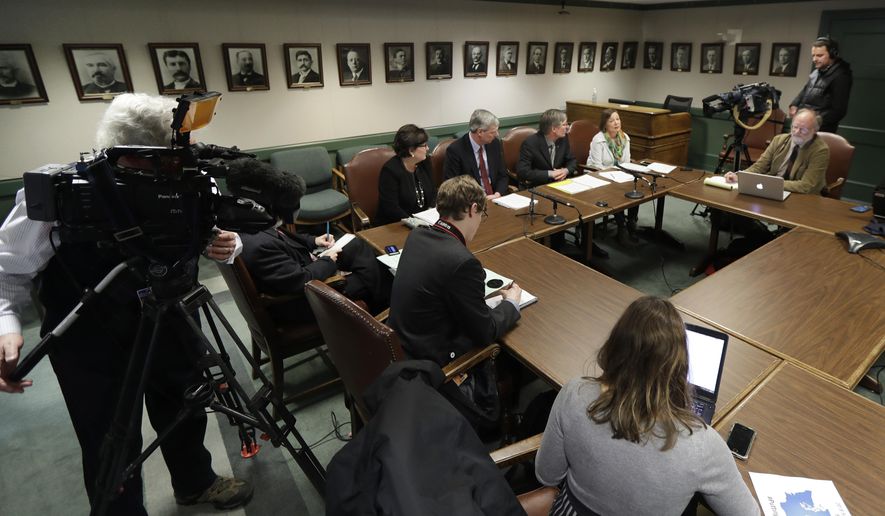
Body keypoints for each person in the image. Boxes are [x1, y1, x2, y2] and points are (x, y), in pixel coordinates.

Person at [0, 93, 252, 514]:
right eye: (171, 153)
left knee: (186, 405)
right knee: (109, 439)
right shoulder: (62, 194)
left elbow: (220, 232)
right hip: (91, 340)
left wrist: (229, 244)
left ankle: (195, 482)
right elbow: (6, 270)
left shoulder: (188, 180)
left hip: (172, 319)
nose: (183, 161)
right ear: (134, 154)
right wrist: (6, 326)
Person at [535, 296, 761, 516]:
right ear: (680, 368)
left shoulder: (574, 393)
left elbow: (547, 475)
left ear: (615, 345)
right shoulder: (703, 445)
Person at [388, 175, 522, 430]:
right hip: (435, 365)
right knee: (510, 353)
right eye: (482, 214)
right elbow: (485, 332)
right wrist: (511, 304)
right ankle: (504, 424)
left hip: (405, 347)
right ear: (473, 209)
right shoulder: (463, 262)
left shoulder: (418, 235)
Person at [226, 158, 390, 318]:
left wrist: (314, 241)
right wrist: (328, 261)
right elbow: (301, 281)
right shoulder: (259, 245)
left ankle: (381, 298)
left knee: (357, 245)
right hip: (302, 301)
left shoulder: (252, 222)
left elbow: (284, 237)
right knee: (375, 276)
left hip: (302, 266)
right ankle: (382, 312)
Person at [725, 108, 829, 194]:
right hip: (773, 190)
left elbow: (806, 186)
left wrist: (771, 183)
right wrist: (740, 176)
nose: (797, 132)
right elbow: (759, 167)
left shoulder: (820, 150)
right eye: (795, 127)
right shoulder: (779, 140)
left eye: (803, 130)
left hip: (801, 196)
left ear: (815, 131)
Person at [588, 109, 640, 245]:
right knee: (617, 193)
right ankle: (621, 226)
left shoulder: (624, 138)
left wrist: (624, 174)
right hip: (599, 175)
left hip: (619, 175)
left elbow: (626, 162)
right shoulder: (598, 140)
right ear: (605, 124)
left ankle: (632, 222)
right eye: (611, 121)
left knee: (635, 188)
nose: (616, 123)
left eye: (618, 119)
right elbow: (597, 166)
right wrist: (613, 175)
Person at [376, 124, 437, 225]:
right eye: (424, 145)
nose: (427, 148)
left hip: (425, 221)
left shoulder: (425, 162)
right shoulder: (390, 170)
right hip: (396, 224)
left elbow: (433, 191)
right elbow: (390, 207)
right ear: (411, 150)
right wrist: (413, 222)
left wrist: (431, 211)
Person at [790, 37, 853, 133]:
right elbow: (805, 90)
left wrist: (813, 122)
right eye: (813, 55)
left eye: (819, 55)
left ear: (833, 54)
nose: (814, 59)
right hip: (804, 127)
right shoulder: (817, 72)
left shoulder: (841, 76)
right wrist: (794, 104)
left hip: (820, 130)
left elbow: (838, 111)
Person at [444, 109, 509, 199]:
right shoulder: (455, 150)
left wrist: (497, 194)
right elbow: (453, 186)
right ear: (480, 132)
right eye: (493, 132)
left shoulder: (494, 144)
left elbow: (503, 175)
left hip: (496, 197)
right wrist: (480, 199)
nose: (497, 134)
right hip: (471, 200)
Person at [516, 108, 576, 187]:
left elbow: (572, 160)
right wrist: (550, 174)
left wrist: (566, 170)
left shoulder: (563, 139)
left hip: (560, 183)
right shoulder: (530, 143)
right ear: (554, 129)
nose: (567, 127)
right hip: (539, 185)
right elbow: (523, 171)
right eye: (564, 125)